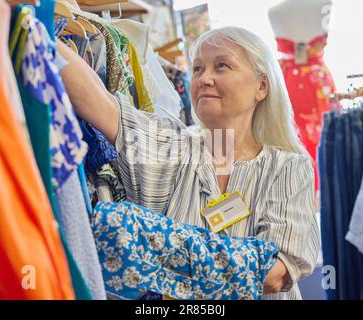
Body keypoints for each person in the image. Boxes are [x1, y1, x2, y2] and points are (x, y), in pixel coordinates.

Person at [56, 26, 320, 300]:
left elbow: (274, 274)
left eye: (221, 66)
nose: (204, 78)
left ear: (261, 87)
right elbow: (97, 103)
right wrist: (34, 25)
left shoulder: (288, 167)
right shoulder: (172, 149)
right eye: (197, 69)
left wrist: (141, 233)